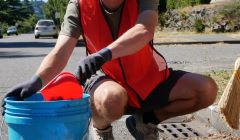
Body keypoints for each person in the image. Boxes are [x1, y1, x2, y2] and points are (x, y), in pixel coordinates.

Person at [2, 0, 218, 139]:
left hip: (148, 77)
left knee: (206, 89)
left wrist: (104, 53)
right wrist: (35, 82)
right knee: (111, 99)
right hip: (106, 79)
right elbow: (60, 53)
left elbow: (144, 29)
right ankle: (102, 129)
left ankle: (147, 120)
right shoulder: (78, 5)